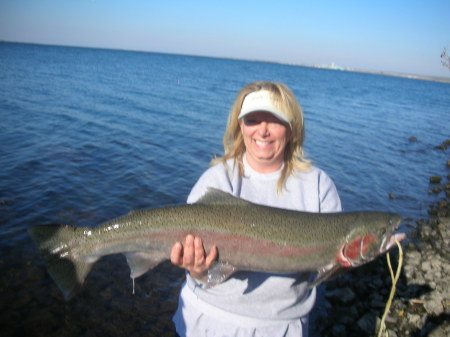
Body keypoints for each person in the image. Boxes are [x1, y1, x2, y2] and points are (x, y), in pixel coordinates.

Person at [170, 81, 341, 337]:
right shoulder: (216, 180)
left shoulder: (318, 186)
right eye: (252, 120)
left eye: (274, 120)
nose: (263, 131)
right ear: (240, 126)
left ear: (292, 128)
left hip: (284, 327)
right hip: (209, 322)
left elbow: (330, 265)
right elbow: (199, 275)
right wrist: (197, 270)